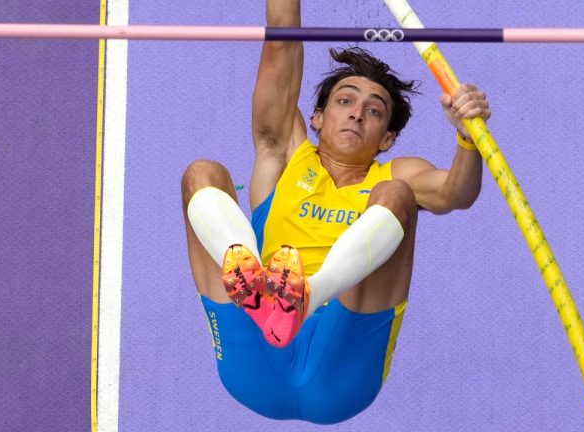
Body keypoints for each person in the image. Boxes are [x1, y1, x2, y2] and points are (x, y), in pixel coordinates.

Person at [180, 0, 491, 424]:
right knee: (202, 174)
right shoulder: (284, 153)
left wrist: (467, 136)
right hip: (254, 357)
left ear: (387, 139)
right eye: (345, 101)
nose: (358, 113)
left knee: (397, 195)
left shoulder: (395, 173)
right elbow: (282, 32)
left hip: (341, 374)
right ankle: (259, 284)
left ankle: (305, 297)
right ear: (318, 117)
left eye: (375, 110)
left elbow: (457, 193)